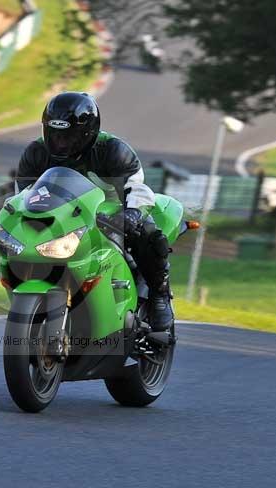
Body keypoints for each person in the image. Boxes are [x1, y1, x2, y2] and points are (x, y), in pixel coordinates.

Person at [16, 91, 173, 332]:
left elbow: (139, 189)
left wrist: (132, 214)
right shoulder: (36, 153)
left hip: (112, 214)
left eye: (69, 136)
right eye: (55, 134)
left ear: (89, 133)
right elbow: (22, 197)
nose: (60, 142)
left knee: (148, 231)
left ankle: (159, 294)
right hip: (63, 217)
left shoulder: (113, 151)